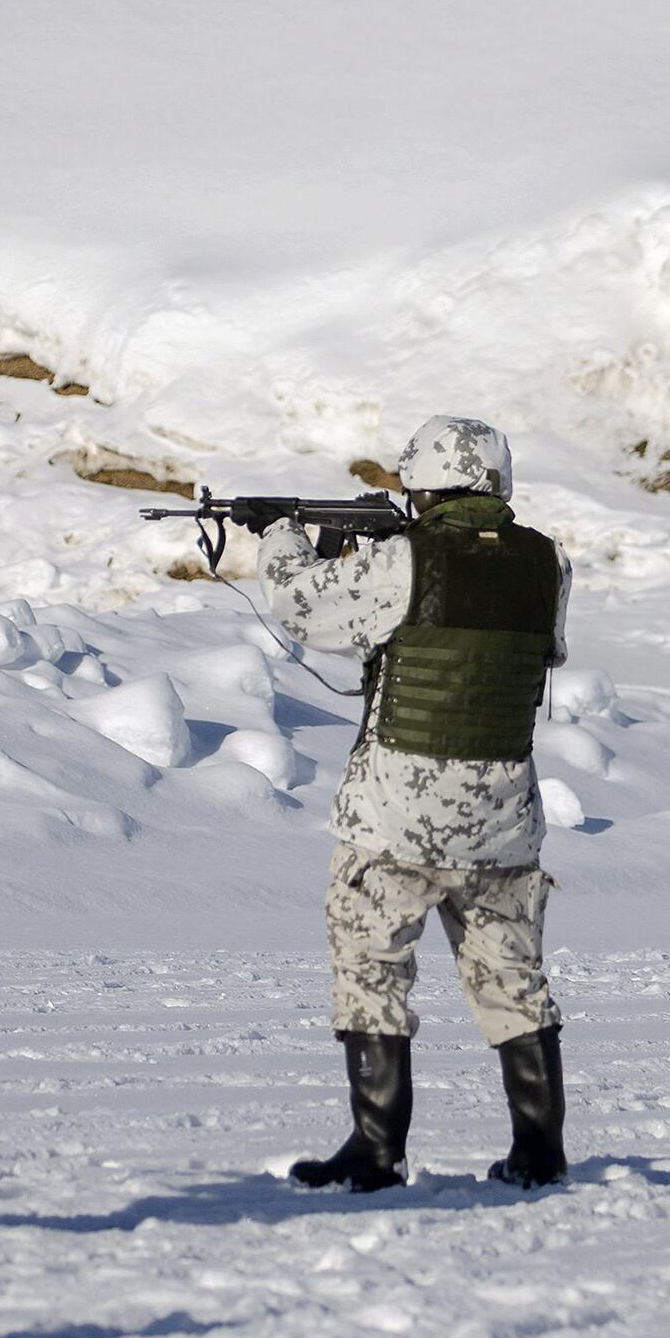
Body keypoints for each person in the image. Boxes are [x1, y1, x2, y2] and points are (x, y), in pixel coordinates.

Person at [262, 416, 575, 1190]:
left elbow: (306, 610)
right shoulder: (548, 562)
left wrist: (280, 538)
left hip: (398, 816)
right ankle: (540, 1151)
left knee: (373, 970)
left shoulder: (406, 558)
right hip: (504, 819)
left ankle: (375, 1150)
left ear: (424, 483)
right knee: (513, 978)